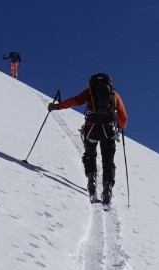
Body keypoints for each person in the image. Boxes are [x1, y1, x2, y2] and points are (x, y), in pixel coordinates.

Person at [48, 73, 127, 203]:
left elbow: (75, 100)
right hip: (108, 131)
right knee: (108, 161)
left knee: (90, 155)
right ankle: (107, 188)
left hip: (91, 129)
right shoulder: (114, 95)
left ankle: (91, 180)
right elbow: (123, 117)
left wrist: (57, 106)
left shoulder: (90, 92)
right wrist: (122, 126)